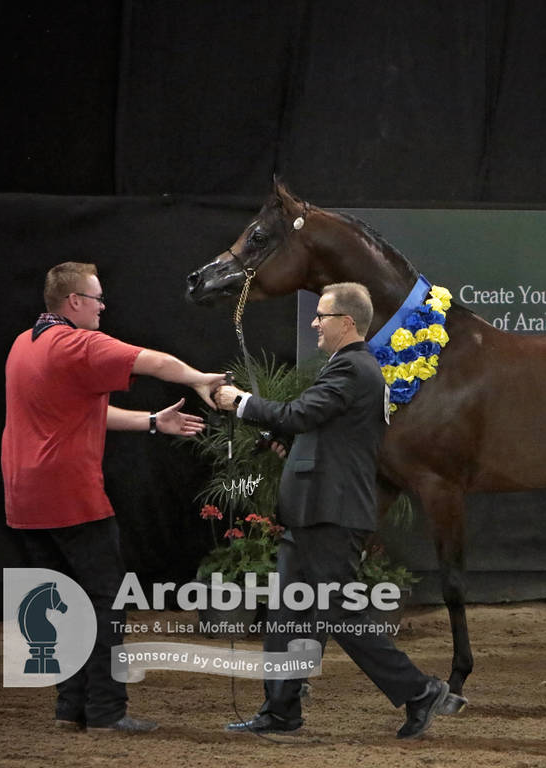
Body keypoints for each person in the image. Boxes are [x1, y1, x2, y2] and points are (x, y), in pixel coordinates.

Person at [214, 281, 448, 739]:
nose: (315, 323)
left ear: (346, 322)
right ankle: (281, 710)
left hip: (331, 516)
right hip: (314, 514)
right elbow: (322, 433)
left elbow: (301, 414)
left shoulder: (353, 370)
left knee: (336, 611)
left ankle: (419, 690)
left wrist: (240, 402)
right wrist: (291, 448)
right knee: (287, 612)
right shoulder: (350, 370)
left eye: (322, 316)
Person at [1, 262, 225, 734]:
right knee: (105, 601)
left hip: (24, 498)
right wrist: (197, 378)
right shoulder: (77, 344)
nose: (104, 306)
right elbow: (153, 361)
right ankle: (106, 711)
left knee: (58, 600)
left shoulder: (25, 344)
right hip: (70, 495)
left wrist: (150, 421)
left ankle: (70, 709)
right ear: (74, 302)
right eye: (97, 298)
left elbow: (84, 414)